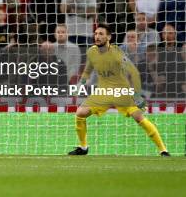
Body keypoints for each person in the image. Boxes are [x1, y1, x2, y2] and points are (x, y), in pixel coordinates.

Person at [68, 24, 170, 157]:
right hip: (104, 91)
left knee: (138, 117)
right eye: (96, 34)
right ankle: (83, 147)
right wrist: (80, 85)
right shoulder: (92, 51)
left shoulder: (116, 53)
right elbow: (87, 71)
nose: (97, 36)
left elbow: (134, 73)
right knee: (80, 112)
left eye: (101, 34)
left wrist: (137, 96)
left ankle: (163, 150)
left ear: (109, 37)